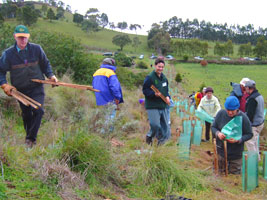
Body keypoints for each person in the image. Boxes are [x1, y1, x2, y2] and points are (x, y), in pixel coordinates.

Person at [0, 25, 58, 148]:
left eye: (25, 38)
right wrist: (4, 84)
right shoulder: (8, 54)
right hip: (20, 90)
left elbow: (45, 64)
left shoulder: (37, 49)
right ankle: (30, 141)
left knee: (39, 110)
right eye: (20, 38)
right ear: (15, 37)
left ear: (28, 37)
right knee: (26, 114)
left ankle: (30, 139)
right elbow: (1, 71)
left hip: (37, 87)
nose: (23, 41)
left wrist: (51, 76)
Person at [212, 96, 253, 174]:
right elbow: (214, 127)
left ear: (237, 108)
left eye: (232, 111)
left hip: (236, 154)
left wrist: (239, 140)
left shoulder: (243, 118)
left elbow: (249, 134)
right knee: (220, 174)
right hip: (221, 151)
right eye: (228, 110)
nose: (230, 113)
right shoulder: (221, 114)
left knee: (234, 176)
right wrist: (218, 133)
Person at [143, 58, 170, 145]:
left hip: (163, 105)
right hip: (152, 105)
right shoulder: (150, 77)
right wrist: (154, 94)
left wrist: (168, 97)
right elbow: (145, 90)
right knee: (155, 125)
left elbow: (166, 91)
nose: (160, 69)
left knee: (165, 128)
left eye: (162, 67)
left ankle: (160, 145)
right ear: (155, 66)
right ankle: (149, 136)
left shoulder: (164, 78)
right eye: (159, 67)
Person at [92, 58, 123, 133]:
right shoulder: (110, 72)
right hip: (110, 96)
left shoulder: (96, 72)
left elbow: (93, 84)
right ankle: (106, 132)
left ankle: (104, 131)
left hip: (99, 96)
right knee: (111, 115)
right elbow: (114, 87)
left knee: (105, 114)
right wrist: (117, 97)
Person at [244, 80, 264, 158]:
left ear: (249, 88)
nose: (245, 90)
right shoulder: (259, 96)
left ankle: (253, 160)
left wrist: (245, 124)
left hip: (254, 124)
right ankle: (257, 158)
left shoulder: (252, 99)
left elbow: (250, 115)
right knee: (255, 141)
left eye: (246, 88)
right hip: (260, 123)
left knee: (249, 141)